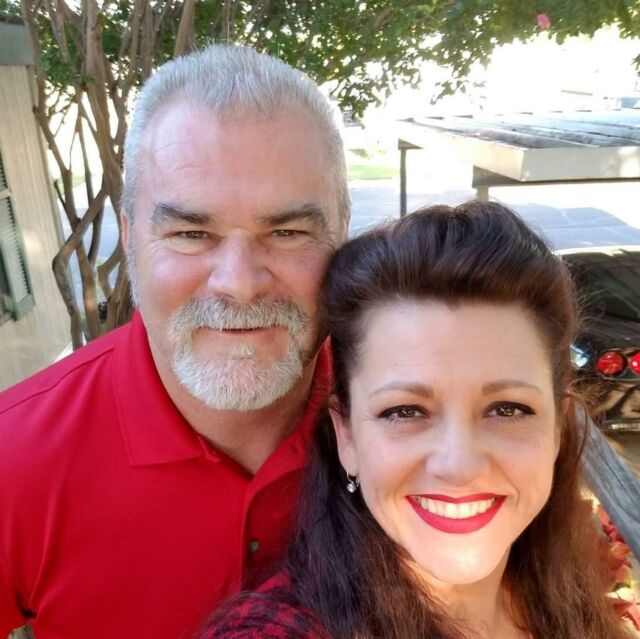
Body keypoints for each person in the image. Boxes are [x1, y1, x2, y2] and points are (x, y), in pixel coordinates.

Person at [0, 45, 349, 639]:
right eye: (191, 233)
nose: (239, 283)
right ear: (131, 238)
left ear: (344, 233)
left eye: (288, 231)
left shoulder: (417, 421)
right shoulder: (14, 457)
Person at [202, 201, 631, 639]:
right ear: (346, 435)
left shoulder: (564, 597)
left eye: (508, 409)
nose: (458, 466)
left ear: (557, 429)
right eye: (404, 412)